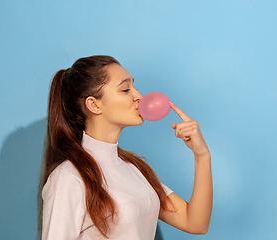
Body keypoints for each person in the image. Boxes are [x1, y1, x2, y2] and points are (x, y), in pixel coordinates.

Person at [38, 55, 213, 240]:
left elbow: (195, 223)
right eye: (125, 89)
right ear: (94, 104)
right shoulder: (69, 178)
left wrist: (201, 155)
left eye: (134, 87)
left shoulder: (134, 168)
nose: (138, 96)